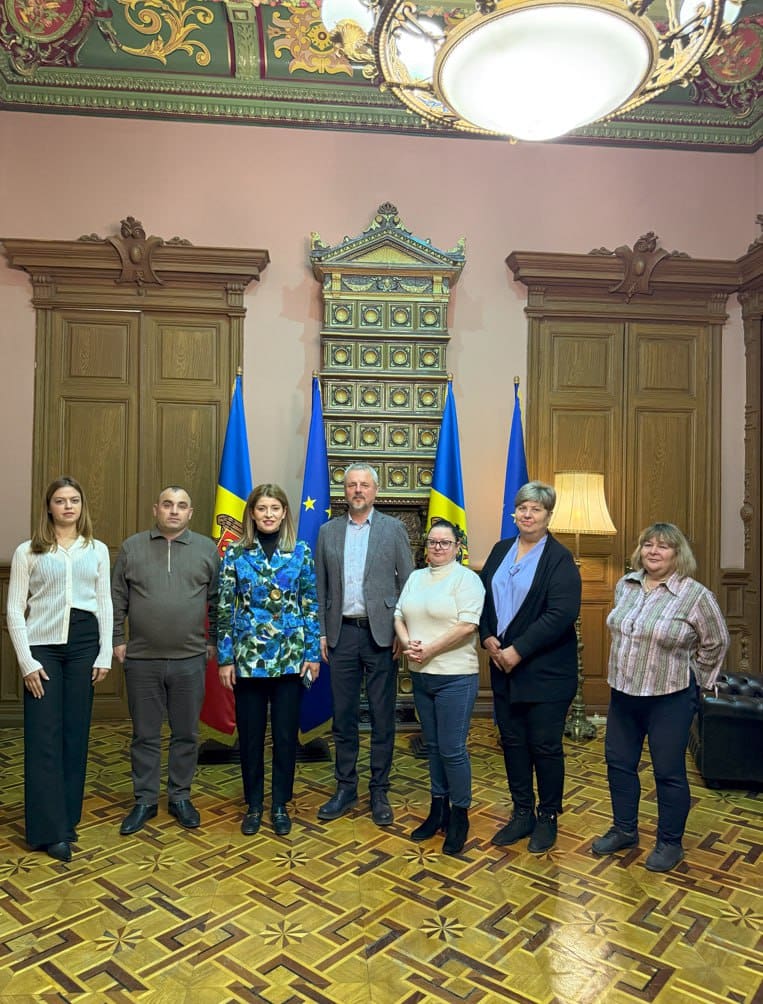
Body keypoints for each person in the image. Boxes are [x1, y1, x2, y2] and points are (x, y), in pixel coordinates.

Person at [592, 522, 729, 872]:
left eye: (663, 546)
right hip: (623, 693)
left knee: (668, 772)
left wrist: (697, 678)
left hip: (670, 697)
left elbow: (716, 641)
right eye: (648, 545)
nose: (653, 551)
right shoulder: (626, 585)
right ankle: (624, 830)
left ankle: (670, 843)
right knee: (619, 764)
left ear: (677, 554)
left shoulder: (695, 595)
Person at [7, 476, 113, 862]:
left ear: (82, 506)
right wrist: (27, 662)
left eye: (74, 500)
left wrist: (104, 653)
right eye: (60, 500)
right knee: (43, 737)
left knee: (75, 733)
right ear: (49, 507)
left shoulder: (96, 549)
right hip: (43, 649)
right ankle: (46, 831)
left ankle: (67, 822)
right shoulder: (28, 552)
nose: (68, 506)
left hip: (84, 645)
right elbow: (14, 609)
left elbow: (104, 602)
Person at [479, 481, 581, 854]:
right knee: (513, 743)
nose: (527, 514)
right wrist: (487, 636)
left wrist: (518, 650)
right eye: (522, 507)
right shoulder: (500, 549)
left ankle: (547, 816)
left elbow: (561, 614)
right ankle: (522, 812)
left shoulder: (559, 559)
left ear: (548, 515)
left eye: (536, 509)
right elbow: (482, 598)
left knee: (544, 746)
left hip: (545, 672)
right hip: (503, 667)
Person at [112, 486, 219, 835]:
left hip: (190, 658)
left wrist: (213, 641)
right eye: (168, 505)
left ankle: (180, 797)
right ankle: (144, 799)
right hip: (142, 659)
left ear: (191, 512)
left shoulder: (206, 549)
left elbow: (218, 600)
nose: (174, 511)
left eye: (181, 506)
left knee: (186, 733)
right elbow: (116, 599)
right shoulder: (132, 547)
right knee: (144, 735)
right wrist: (117, 639)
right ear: (155, 509)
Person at [217, 484, 320, 837]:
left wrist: (312, 654)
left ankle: (279, 804)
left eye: (275, 508)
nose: (268, 514)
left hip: (290, 657)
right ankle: (254, 804)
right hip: (248, 658)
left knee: (285, 736)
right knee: (250, 736)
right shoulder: (235, 553)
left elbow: (310, 604)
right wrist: (225, 658)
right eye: (262, 508)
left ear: (284, 512)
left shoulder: (300, 551)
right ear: (252, 513)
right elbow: (224, 607)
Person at [315, 462, 414, 826]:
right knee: (343, 716)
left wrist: (402, 631)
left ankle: (379, 790)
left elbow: (408, 583)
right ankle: (345, 787)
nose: (358, 490)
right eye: (352, 485)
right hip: (340, 634)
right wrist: (321, 633)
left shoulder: (393, 529)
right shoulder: (327, 531)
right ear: (344, 491)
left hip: (381, 635)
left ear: (375, 490)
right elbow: (320, 586)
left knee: (382, 715)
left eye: (364, 485)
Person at [394, 518, 485, 855]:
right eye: (432, 542)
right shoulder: (416, 577)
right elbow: (399, 615)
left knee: (452, 749)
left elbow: (467, 626)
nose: (437, 547)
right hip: (422, 675)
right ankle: (438, 810)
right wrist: (408, 644)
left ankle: (460, 816)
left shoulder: (467, 579)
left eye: (445, 542)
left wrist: (429, 649)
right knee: (433, 747)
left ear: (457, 547)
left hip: (455, 677)